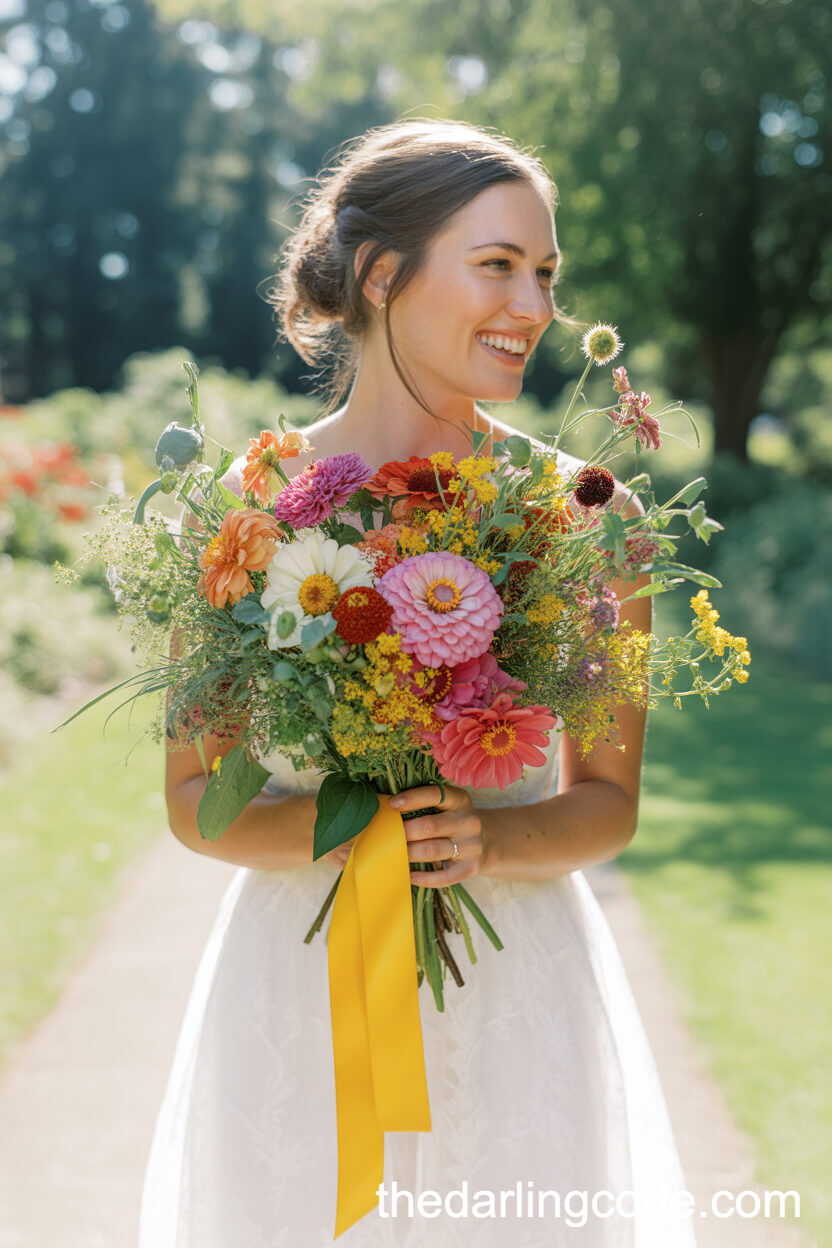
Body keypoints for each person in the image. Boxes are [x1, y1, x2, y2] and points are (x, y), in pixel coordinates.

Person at [139, 117, 697, 1246]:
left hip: (519, 1003)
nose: (536, 306)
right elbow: (194, 797)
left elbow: (606, 801)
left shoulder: (593, 521)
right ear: (384, 275)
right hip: (294, 993)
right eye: (497, 265)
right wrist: (346, 830)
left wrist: (483, 842)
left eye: (543, 273)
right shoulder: (242, 511)